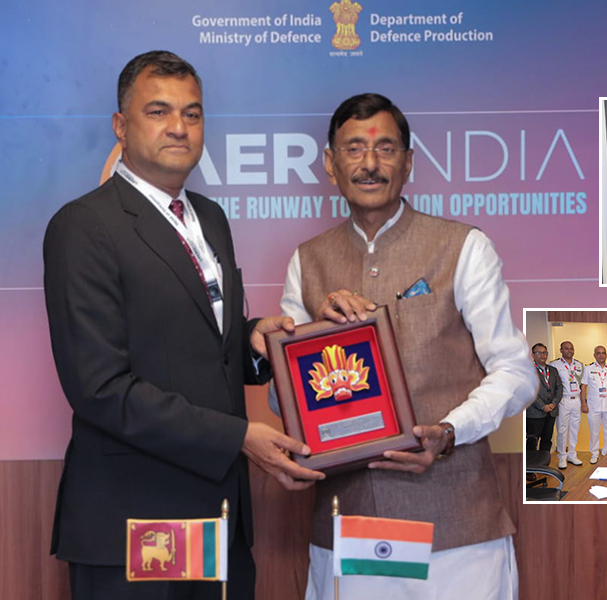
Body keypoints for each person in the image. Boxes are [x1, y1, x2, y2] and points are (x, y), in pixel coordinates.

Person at [43, 51, 319, 600]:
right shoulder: (84, 226)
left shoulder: (209, 218)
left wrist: (256, 343)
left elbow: (201, 341)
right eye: (159, 111)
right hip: (136, 523)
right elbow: (100, 388)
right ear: (121, 126)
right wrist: (239, 437)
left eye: (192, 114)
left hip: (218, 516)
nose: (178, 127)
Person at [273, 93, 536, 600]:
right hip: (345, 528)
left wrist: (448, 432)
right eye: (353, 148)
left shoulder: (462, 247)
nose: (370, 164)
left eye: (386, 149)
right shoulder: (307, 262)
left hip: (457, 531)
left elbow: (516, 372)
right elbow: (285, 402)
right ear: (330, 164)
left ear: (409, 162)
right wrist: (302, 352)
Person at [551, 341, 585, 469]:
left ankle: (572, 454)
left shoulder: (579, 365)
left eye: (571, 349)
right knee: (562, 429)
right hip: (563, 400)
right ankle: (562, 456)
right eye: (566, 349)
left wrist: (583, 401)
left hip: (576, 399)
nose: (569, 351)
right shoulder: (554, 365)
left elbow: (582, 384)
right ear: (561, 350)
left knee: (574, 429)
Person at [581, 345, 607, 463]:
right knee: (594, 431)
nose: (601, 355)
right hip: (593, 405)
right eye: (599, 353)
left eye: (603, 353)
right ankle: (594, 453)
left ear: (606, 355)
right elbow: (584, 386)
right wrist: (583, 403)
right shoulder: (588, 368)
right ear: (594, 355)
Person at [527, 343, 561, 453]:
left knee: (547, 440)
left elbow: (559, 388)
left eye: (544, 353)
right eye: (539, 352)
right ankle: (530, 469)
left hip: (551, 412)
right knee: (532, 442)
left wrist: (553, 404)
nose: (542, 355)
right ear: (533, 354)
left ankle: (544, 466)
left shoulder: (553, 370)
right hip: (535, 413)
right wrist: (542, 406)